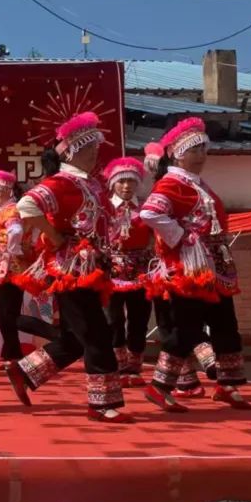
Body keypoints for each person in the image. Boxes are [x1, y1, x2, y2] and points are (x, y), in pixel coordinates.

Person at [7, 112, 131, 423]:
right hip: (70, 270)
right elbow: (25, 207)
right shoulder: (62, 182)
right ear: (74, 151)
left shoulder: (91, 183)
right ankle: (101, 404)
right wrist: (52, 234)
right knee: (97, 333)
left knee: (79, 337)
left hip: (90, 268)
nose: (95, 155)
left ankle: (25, 372)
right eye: (89, 150)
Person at [140, 117, 251, 411]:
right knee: (187, 328)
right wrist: (181, 236)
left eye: (204, 149)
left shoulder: (196, 183)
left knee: (225, 324)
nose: (202, 155)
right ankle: (160, 386)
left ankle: (227, 385)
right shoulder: (172, 183)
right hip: (191, 269)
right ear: (177, 152)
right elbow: (150, 213)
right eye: (195, 149)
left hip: (215, 266)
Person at [0, 169, 58, 362]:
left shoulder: (11, 210)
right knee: (3, 311)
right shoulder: (10, 209)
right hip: (8, 266)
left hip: (11, 267)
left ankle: (54, 334)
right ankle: (11, 354)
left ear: (9, 190)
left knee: (7, 313)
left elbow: (15, 230)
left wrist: (12, 250)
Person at [103, 157, 153, 389]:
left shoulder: (146, 208)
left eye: (131, 182)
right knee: (113, 318)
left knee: (139, 318)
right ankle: (117, 364)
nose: (126, 186)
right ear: (113, 183)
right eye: (121, 181)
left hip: (141, 270)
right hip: (111, 270)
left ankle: (134, 366)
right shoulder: (103, 209)